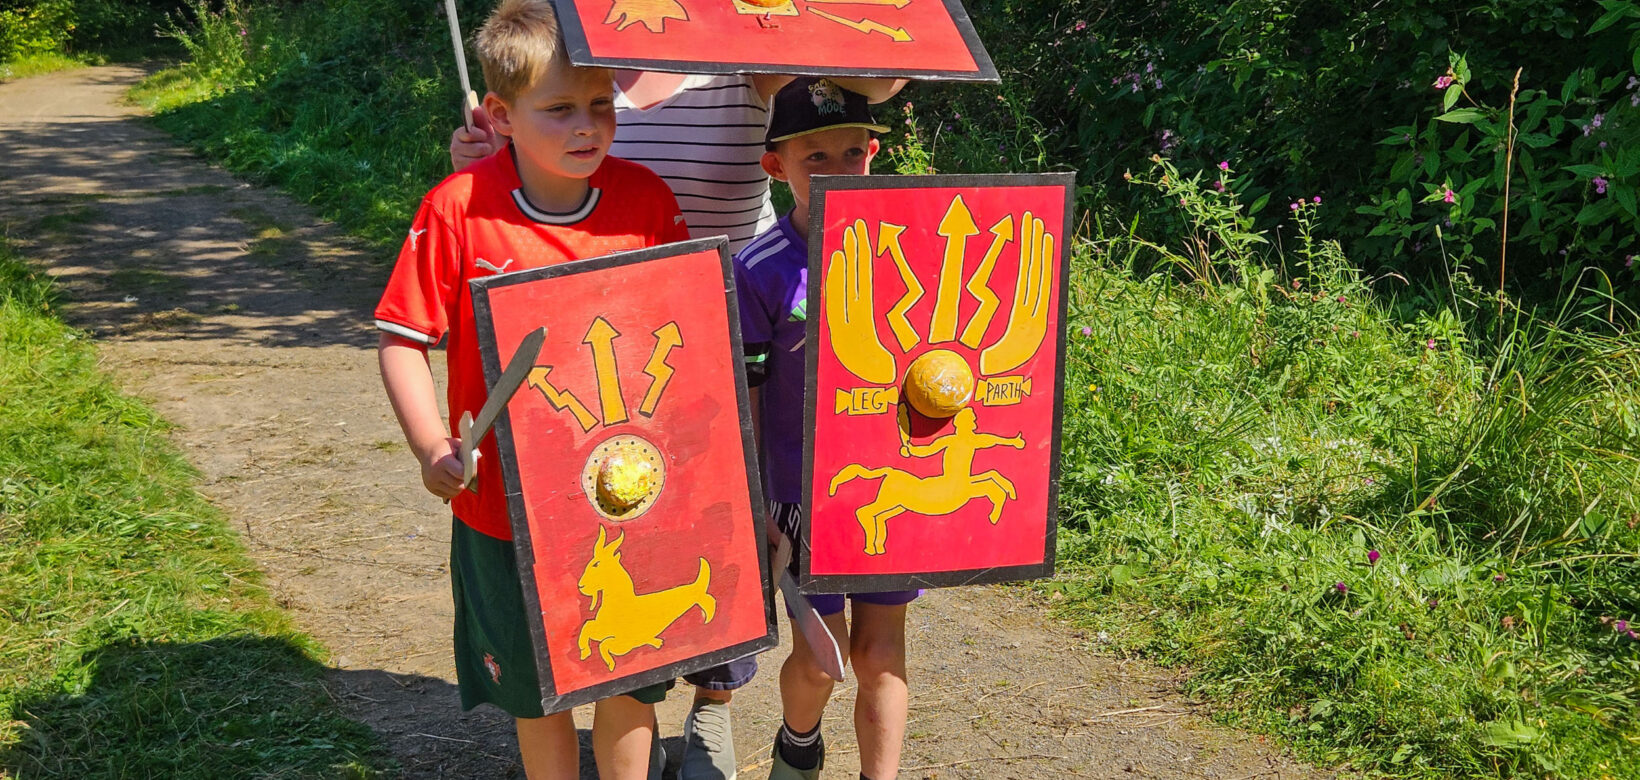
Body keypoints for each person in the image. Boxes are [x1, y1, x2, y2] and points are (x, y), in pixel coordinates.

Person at [448, 62, 905, 780]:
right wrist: (488, 160)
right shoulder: (575, 62)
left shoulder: (739, 53)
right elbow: (541, 154)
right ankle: (631, 726)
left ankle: (713, 708)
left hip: (731, 311)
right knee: (632, 531)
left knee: (711, 534)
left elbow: (861, 87)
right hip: (611, 332)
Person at [375, 1, 691, 777]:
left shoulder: (647, 202)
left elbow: (689, 341)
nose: (587, 126)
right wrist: (432, 446)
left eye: (599, 105)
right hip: (504, 505)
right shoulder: (457, 210)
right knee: (535, 690)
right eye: (558, 110)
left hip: (628, 491)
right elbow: (402, 342)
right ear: (500, 114)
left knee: (627, 677)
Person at [732, 77, 918, 780]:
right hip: (797, 497)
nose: (841, 171)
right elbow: (747, 395)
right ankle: (799, 745)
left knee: (879, 654)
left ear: (874, 152)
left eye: (854, 152)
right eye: (818, 159)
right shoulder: (759, 269)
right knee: (819, 660)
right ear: (776, 166)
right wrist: (756, 504)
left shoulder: (910, 259)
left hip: (888, 484)